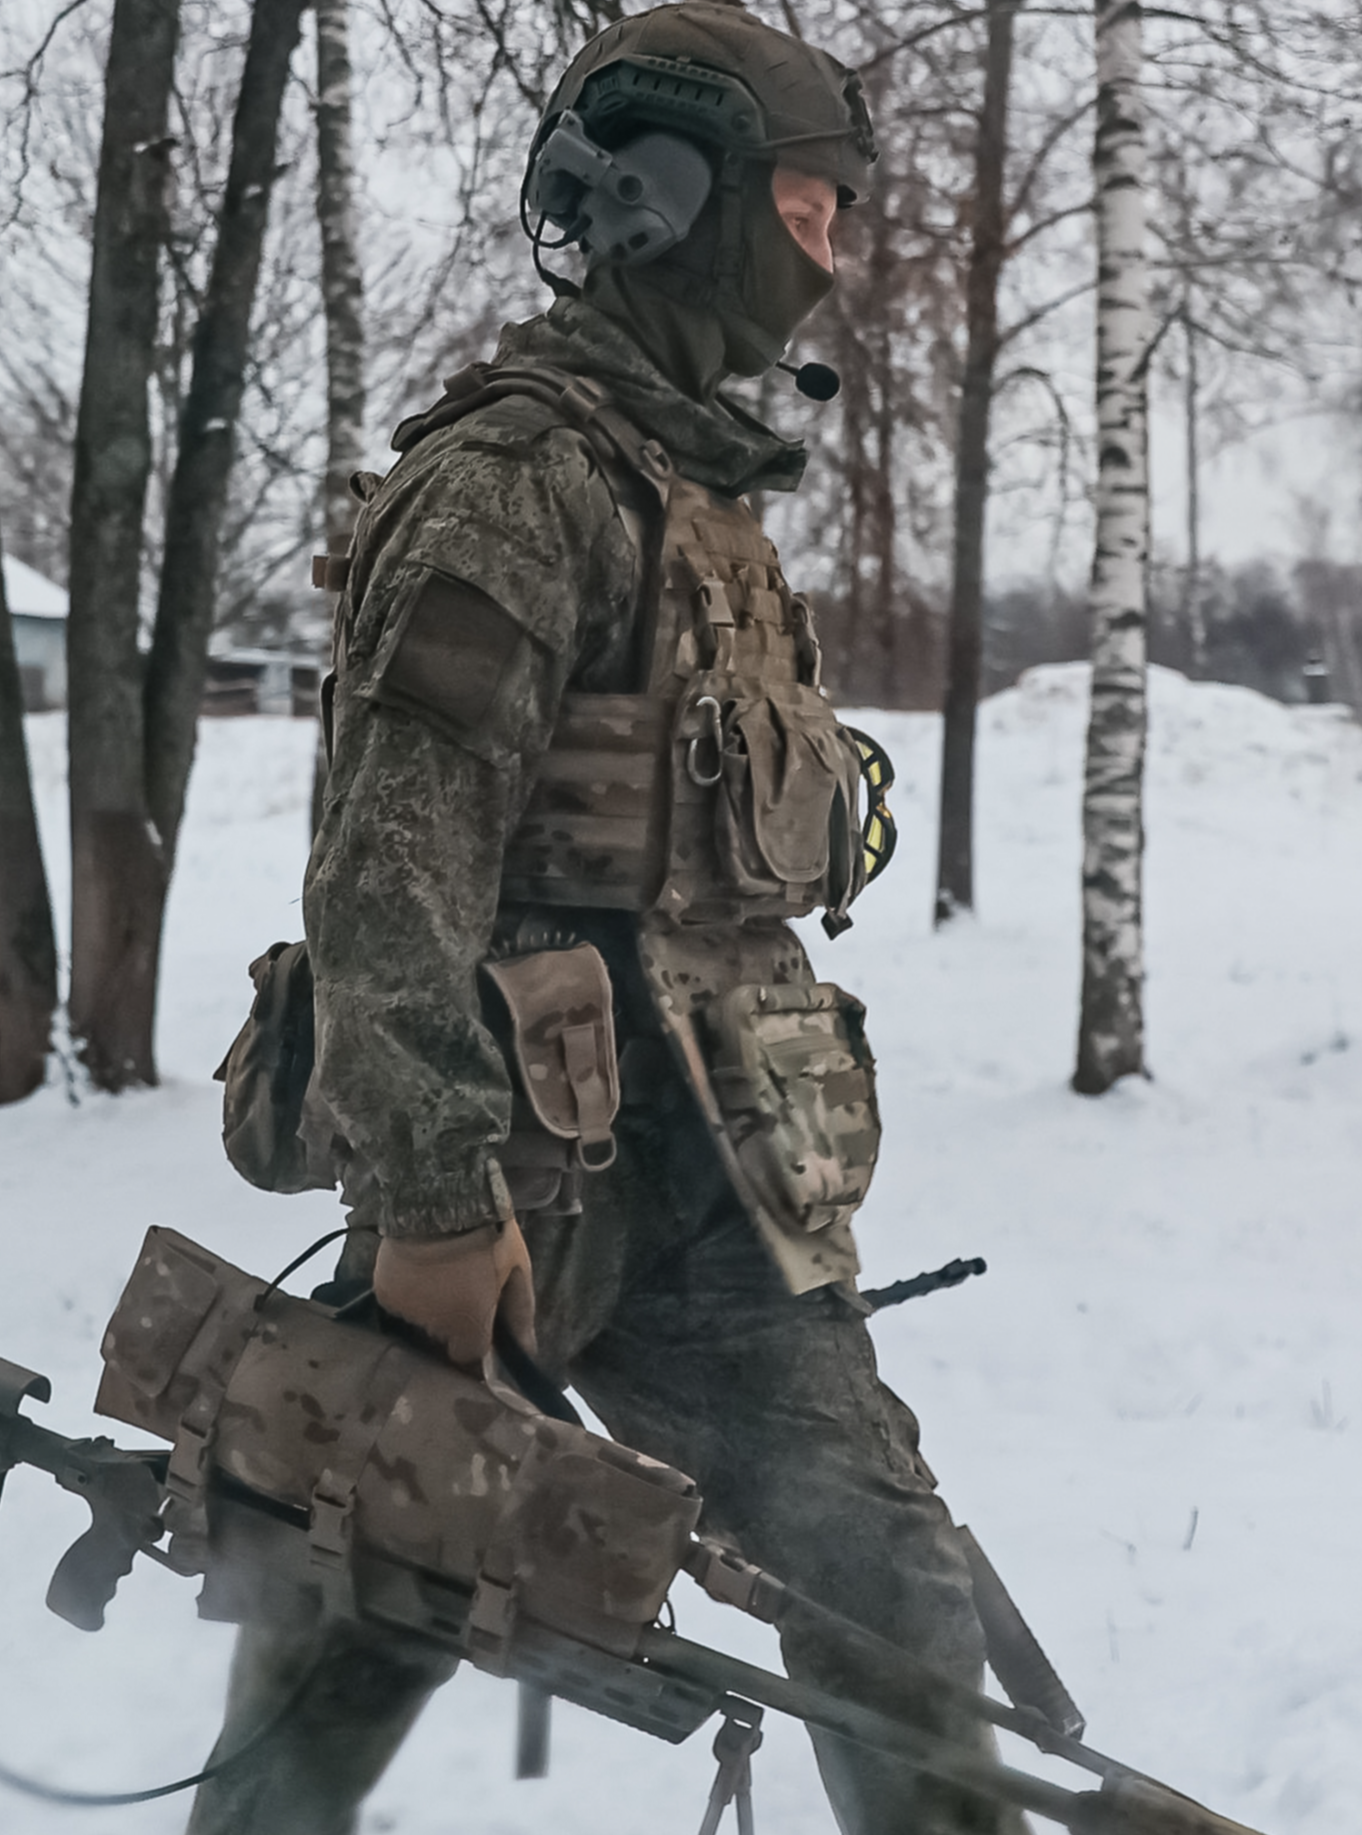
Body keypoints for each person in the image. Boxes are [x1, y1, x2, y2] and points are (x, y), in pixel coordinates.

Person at [187, 7, 1016, 1831]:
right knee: (367, 1592)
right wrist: (425, 1197)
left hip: (721, 1197)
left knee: (891, 1599)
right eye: (813, 208)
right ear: (672, 201)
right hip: (517, 1184)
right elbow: (386, 864)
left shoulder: (705, 498)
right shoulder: (517, 479)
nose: (835, 253)